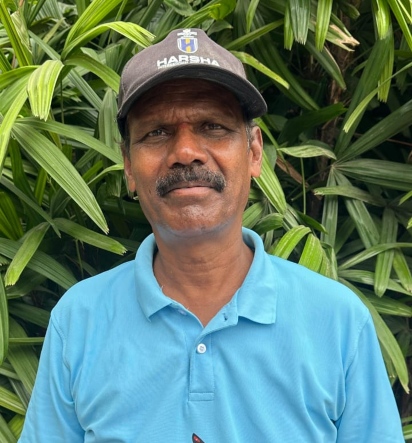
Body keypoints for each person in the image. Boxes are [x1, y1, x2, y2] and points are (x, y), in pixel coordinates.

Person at [19, 28, 404, 442]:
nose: (186, 152)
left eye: (213, 126)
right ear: (128, 164)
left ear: (254, 151)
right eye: (157, 132)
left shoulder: (339, 321)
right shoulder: (79, 320)